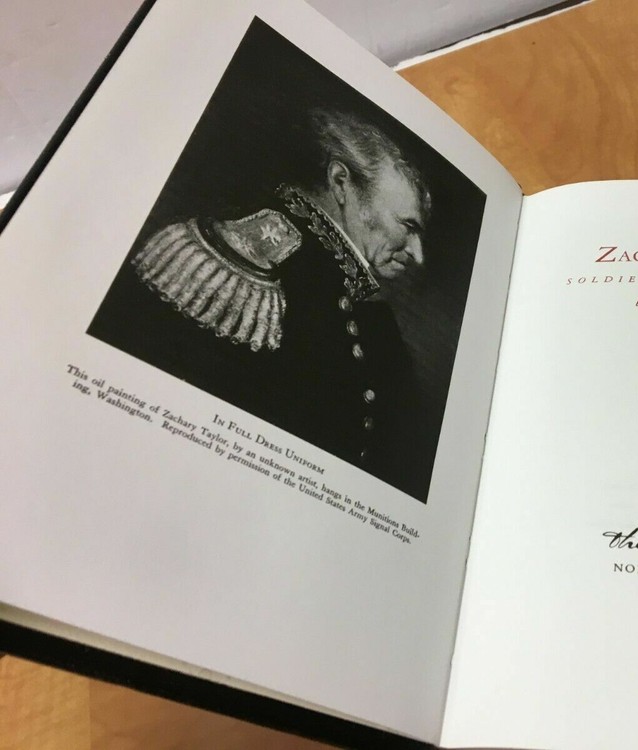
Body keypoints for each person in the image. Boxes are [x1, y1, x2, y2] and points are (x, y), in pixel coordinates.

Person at [89, 108, 433, 498]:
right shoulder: (253, 258)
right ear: (341, 183)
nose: (417, 254)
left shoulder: (363, 307)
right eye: (408, 225)